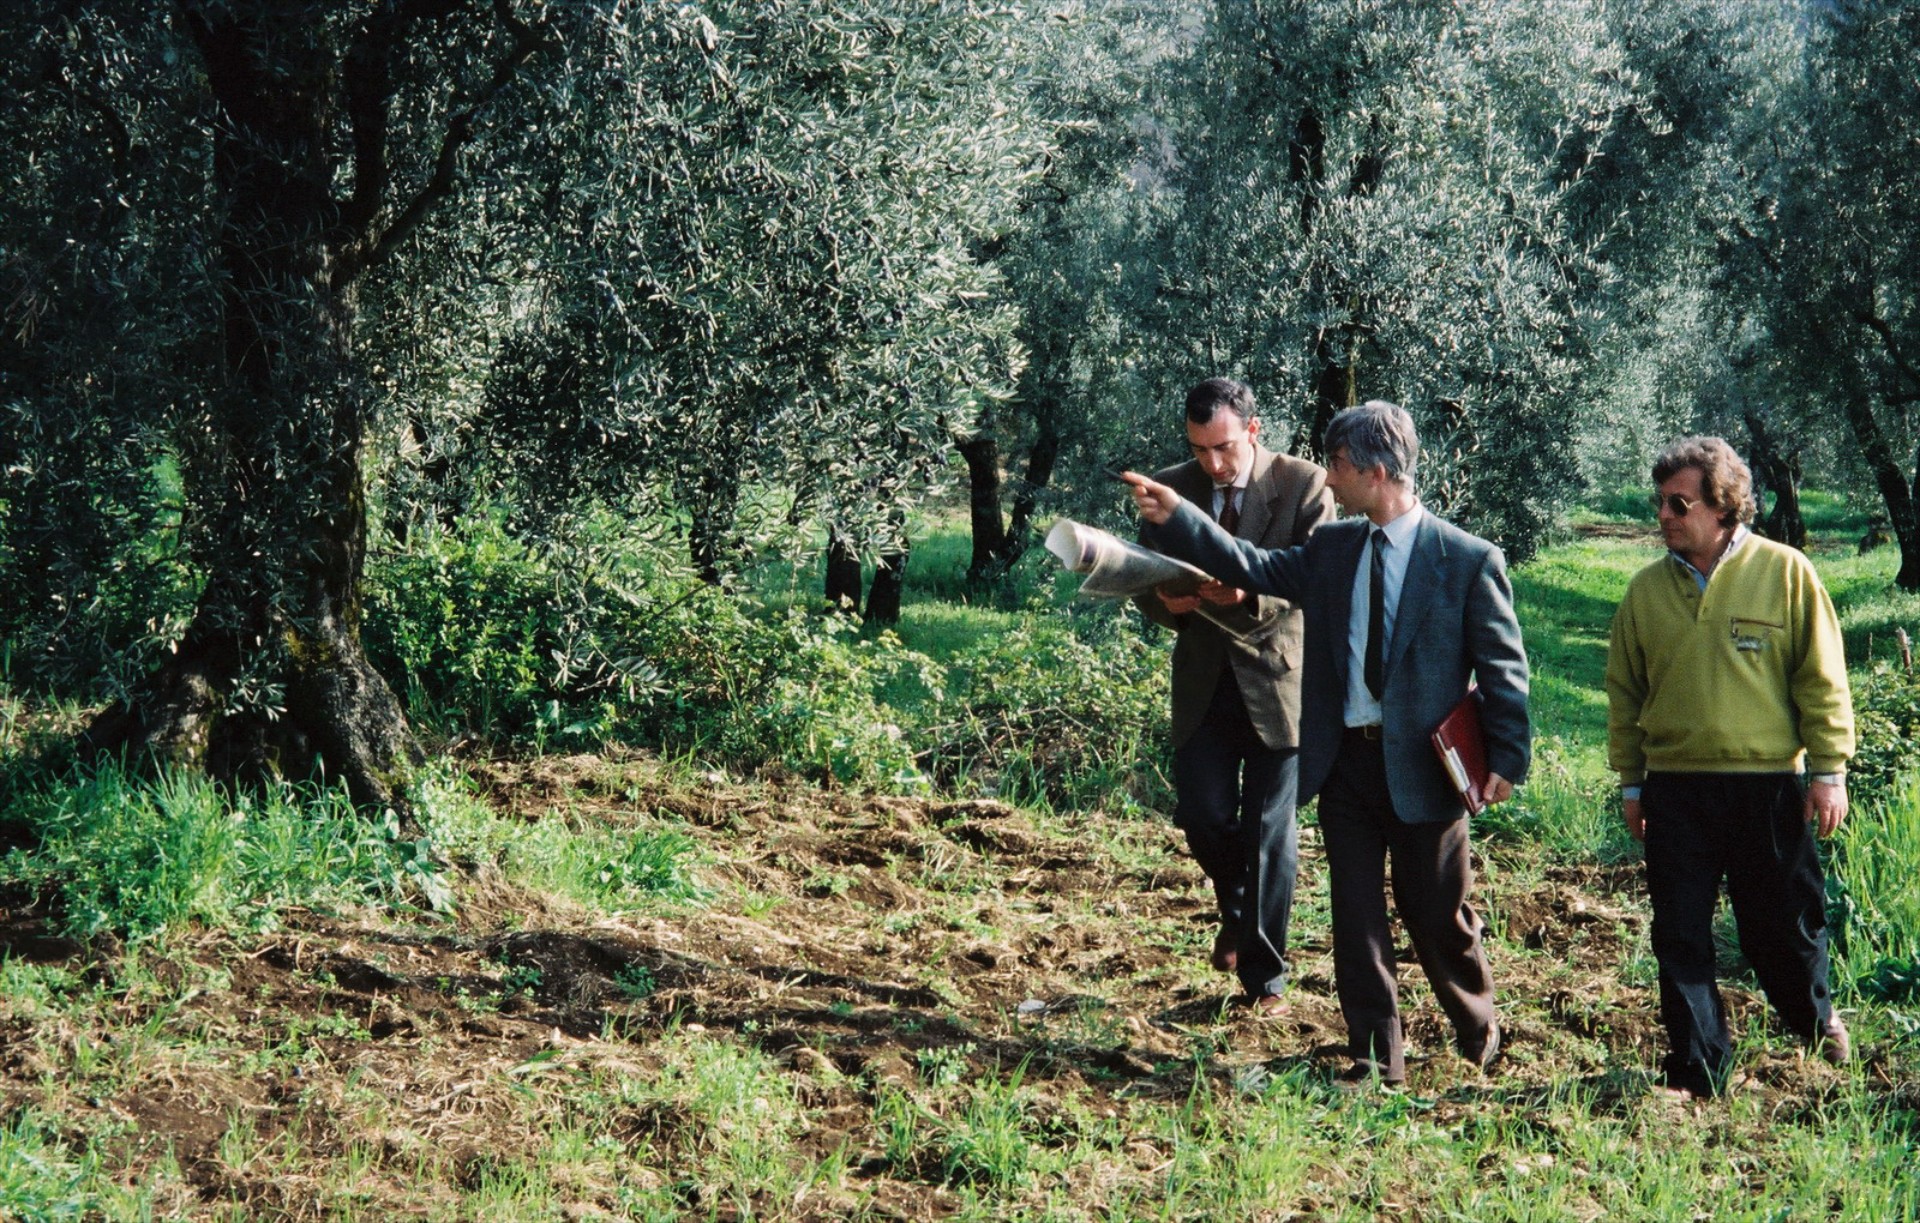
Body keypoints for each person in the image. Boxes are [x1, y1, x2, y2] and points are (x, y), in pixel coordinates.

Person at [1125, 400, 1530, 1085]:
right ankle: (1377, 1060)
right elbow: (1249, 563)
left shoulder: (1466, 559)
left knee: (1436, 913)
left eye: (1338, 466)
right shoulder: (1334, 549)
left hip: (1426, 770)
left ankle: (1477, 1021)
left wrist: (1506, 758)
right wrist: (1181, 517)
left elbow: (1503, 668)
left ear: (1376, 471)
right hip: (1345, 763)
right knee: (1356, 920)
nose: (1329, 480)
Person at [1605, 436, 1854, 1098]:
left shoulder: (1787, 573)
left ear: (1723, 506)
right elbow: (1625, 696)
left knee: (1780, 925)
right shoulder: (1644, 593)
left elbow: (1822, 681)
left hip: (1768, 785)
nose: (1664, 515)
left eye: (1678, 503)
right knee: (1680, 930)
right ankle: (1697, 1067)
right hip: (1677, 789)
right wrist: (1632, 783)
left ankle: (1814, 1022)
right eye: (1659, 502)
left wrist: (1830, 771)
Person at [1134, 378, 1332, 1015]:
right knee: (1202, 816)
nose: (1212, 465)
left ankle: (1264, 981)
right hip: (1203, 684)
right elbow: (1143, 573)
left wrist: (1249, 595)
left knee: (1270, 831)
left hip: (1281, 685)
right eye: (1199, 451)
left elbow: (1319, 580)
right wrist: (1161, 600)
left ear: (1252, 430)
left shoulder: (1306, 484)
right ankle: (1240, 907)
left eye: (1222, 448)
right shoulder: (1172, 488)